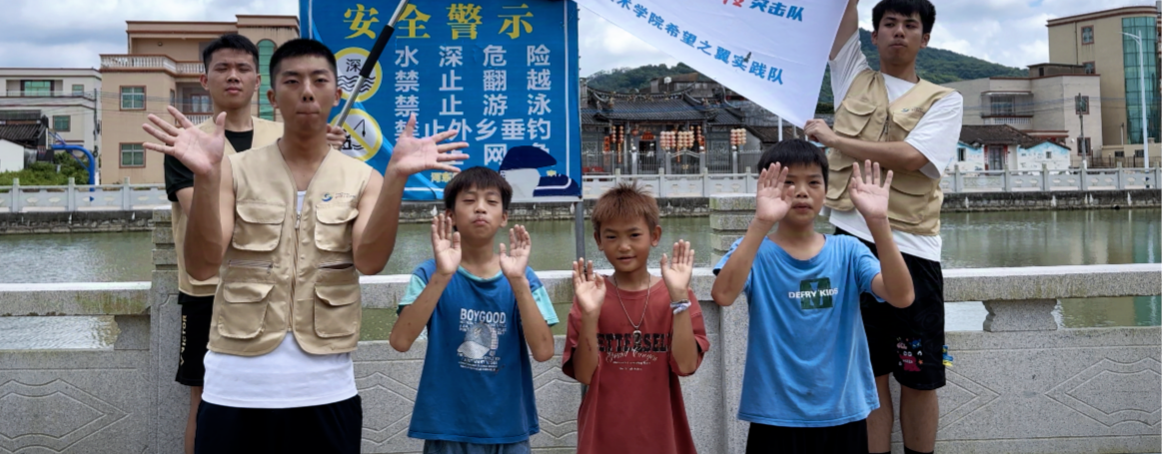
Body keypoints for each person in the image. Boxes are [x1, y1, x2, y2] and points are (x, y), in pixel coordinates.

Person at [144, 37, 468, 454]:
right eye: (292, 81)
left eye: (319, 80)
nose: (307, 92)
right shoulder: (231, 170)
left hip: (325, 388)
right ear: (272, 97)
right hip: (235, 386)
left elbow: (370, 261)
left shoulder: (364, 178)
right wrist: (206, 178)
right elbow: (203, 265)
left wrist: (396, 180)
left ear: (337, 93)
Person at [804, 0, 965, 454]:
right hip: (850, 245)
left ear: (925, 38)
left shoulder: (944, 100)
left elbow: (912, 157)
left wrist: (835, 139)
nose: (899, 31)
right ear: (874, 35)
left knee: (919, 376)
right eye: (890, 23)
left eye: (910, 25)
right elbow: (843, 3)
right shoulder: (852, 74)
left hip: (912, 247)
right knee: (867, 374)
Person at [162, 34, 344, 454]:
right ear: (204, 79)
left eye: (243, 68)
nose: (233, 76)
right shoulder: (187, 142)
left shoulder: (286, 133)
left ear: (260, 82)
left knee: (286, 400)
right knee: (206, 398)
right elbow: (209, 223)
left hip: (282, 289)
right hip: (208, 292)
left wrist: (320, 155)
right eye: (222, 68)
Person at [712, 141, 915, 453]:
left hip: (843, 410)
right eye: (789, 182)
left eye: (813, 182)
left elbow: (902, 296)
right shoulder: (754, 250)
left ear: (827, 190)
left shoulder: (848, 251)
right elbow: (723, 294)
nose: (802, 192)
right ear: (766, 187)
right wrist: (761, 223)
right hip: (776, 413)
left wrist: (878, 223)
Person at [389, 166, 558, 454]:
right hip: (447, 426)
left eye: (491, 201)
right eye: (469, 200)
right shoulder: (429, 273)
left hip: (508, 426)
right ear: (451, 215)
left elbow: (543, 351)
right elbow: (400, 341)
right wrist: (443, 275)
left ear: (503, 217)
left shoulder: (522, 277)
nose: (480, 208)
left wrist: (518, 282)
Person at [564, 182, 708, 454]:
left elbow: (686, 366)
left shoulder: (675, 294)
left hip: (662, 437)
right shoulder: (590, 296)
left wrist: (679, 298)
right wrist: (591, 315)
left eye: (634, 235)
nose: (624, 246)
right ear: (598, 240)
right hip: (602, 438)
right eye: (611, 237)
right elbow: (584, 374)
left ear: (654, 235)